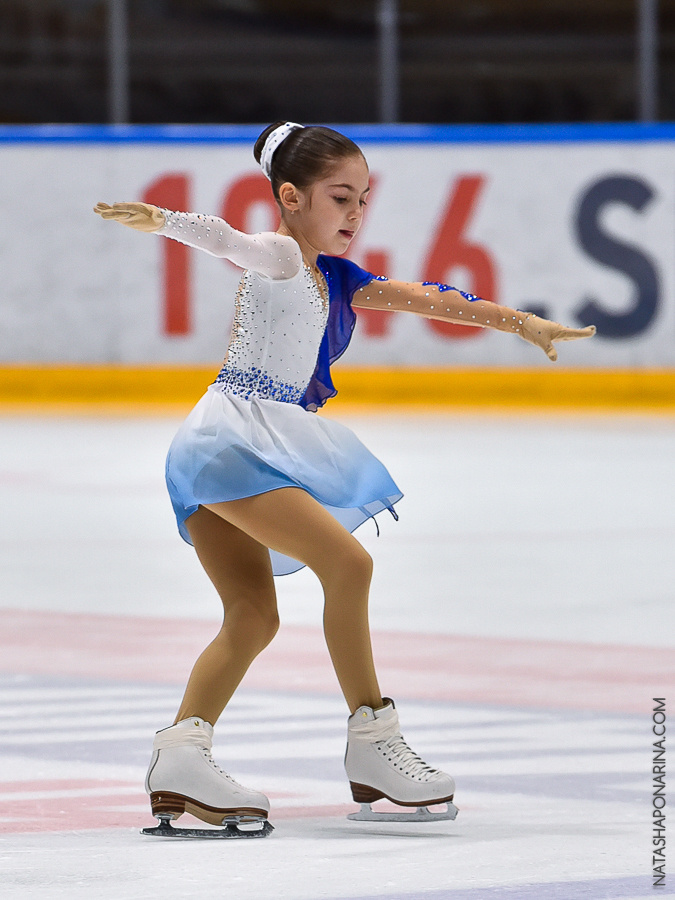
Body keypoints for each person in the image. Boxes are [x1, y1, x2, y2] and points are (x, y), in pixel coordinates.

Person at [94, 121, 595, 836]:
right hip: (230, 442)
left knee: (252, 615)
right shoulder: (279, 256)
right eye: (339, 197)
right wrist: (164, 220)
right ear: (290, 197)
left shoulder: (337, 278)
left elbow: (430, 299)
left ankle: (179, 757)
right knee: (348, 565)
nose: (355, 213)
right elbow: (227, 239)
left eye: (363, 199)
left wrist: (520, 323)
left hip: (231, 444)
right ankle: (373, 741)